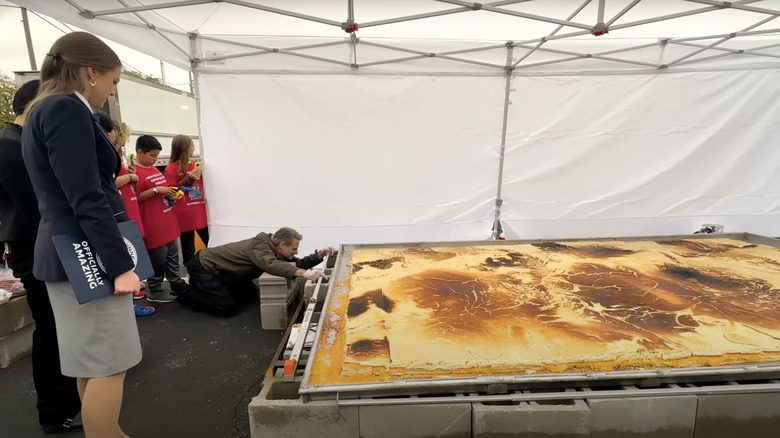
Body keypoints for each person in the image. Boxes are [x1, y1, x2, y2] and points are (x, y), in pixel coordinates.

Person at [21, 31, 142, 438]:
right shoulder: (66, 109)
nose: (111, 91)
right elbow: (86, 196)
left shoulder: (42, 109)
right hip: (87, 258)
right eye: (113, 81)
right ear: (91, 72)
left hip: (66, 256)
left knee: (90, 364)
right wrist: (120, 265)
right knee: (110, 362)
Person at [0, 80, 84, 434]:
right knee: (50, 329)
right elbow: (36, 209)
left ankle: (65, 402)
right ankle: (54, 410)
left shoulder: (18, 142)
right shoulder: (11, 146)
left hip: (41, 246)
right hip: (35, 250)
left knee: (57, 327)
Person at [181, 227, 334, 317]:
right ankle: (185, 291)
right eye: (294, 249)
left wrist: (318, 255)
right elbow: (271, 264)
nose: (296, 252)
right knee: (226, 307)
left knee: (250, 294)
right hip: (204, 266)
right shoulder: (261, 247)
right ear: (282, 245)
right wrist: (305, 273)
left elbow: (296, 263)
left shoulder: (275, 249)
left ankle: (213, 289)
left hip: (227, 272)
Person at [93, 112, 155, 317]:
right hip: (114, 212)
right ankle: (128, 304)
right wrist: (130, 177)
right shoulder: (97, 157)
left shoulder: (113, 155)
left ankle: (130, 299)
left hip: (122, 208)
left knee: (131, 250)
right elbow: (108, 183)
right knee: (121, 254)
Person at [134, 134, 187, 302]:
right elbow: (135, 198)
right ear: (140, 152)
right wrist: (156, 190)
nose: (155, 159)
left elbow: (162, 188)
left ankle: (176, 284)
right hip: (152, 221)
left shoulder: (153, 168)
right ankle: (155, 289)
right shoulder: (134, 172)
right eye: (152, 156)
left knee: (172, 254)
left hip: (166, 218)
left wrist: (171, 193)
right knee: (158, 257)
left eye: (156, 156)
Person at [165, 134, 208, 267]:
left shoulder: (196, 165)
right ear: (184, 148)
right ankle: (191, 272)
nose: (194, 148)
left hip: (200, 211)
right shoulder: (171, 168)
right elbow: (172, 192)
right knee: (188, 247)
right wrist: (187, 181)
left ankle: (214, 271)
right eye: (192, 146)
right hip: (184, 213)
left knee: (210, 243)